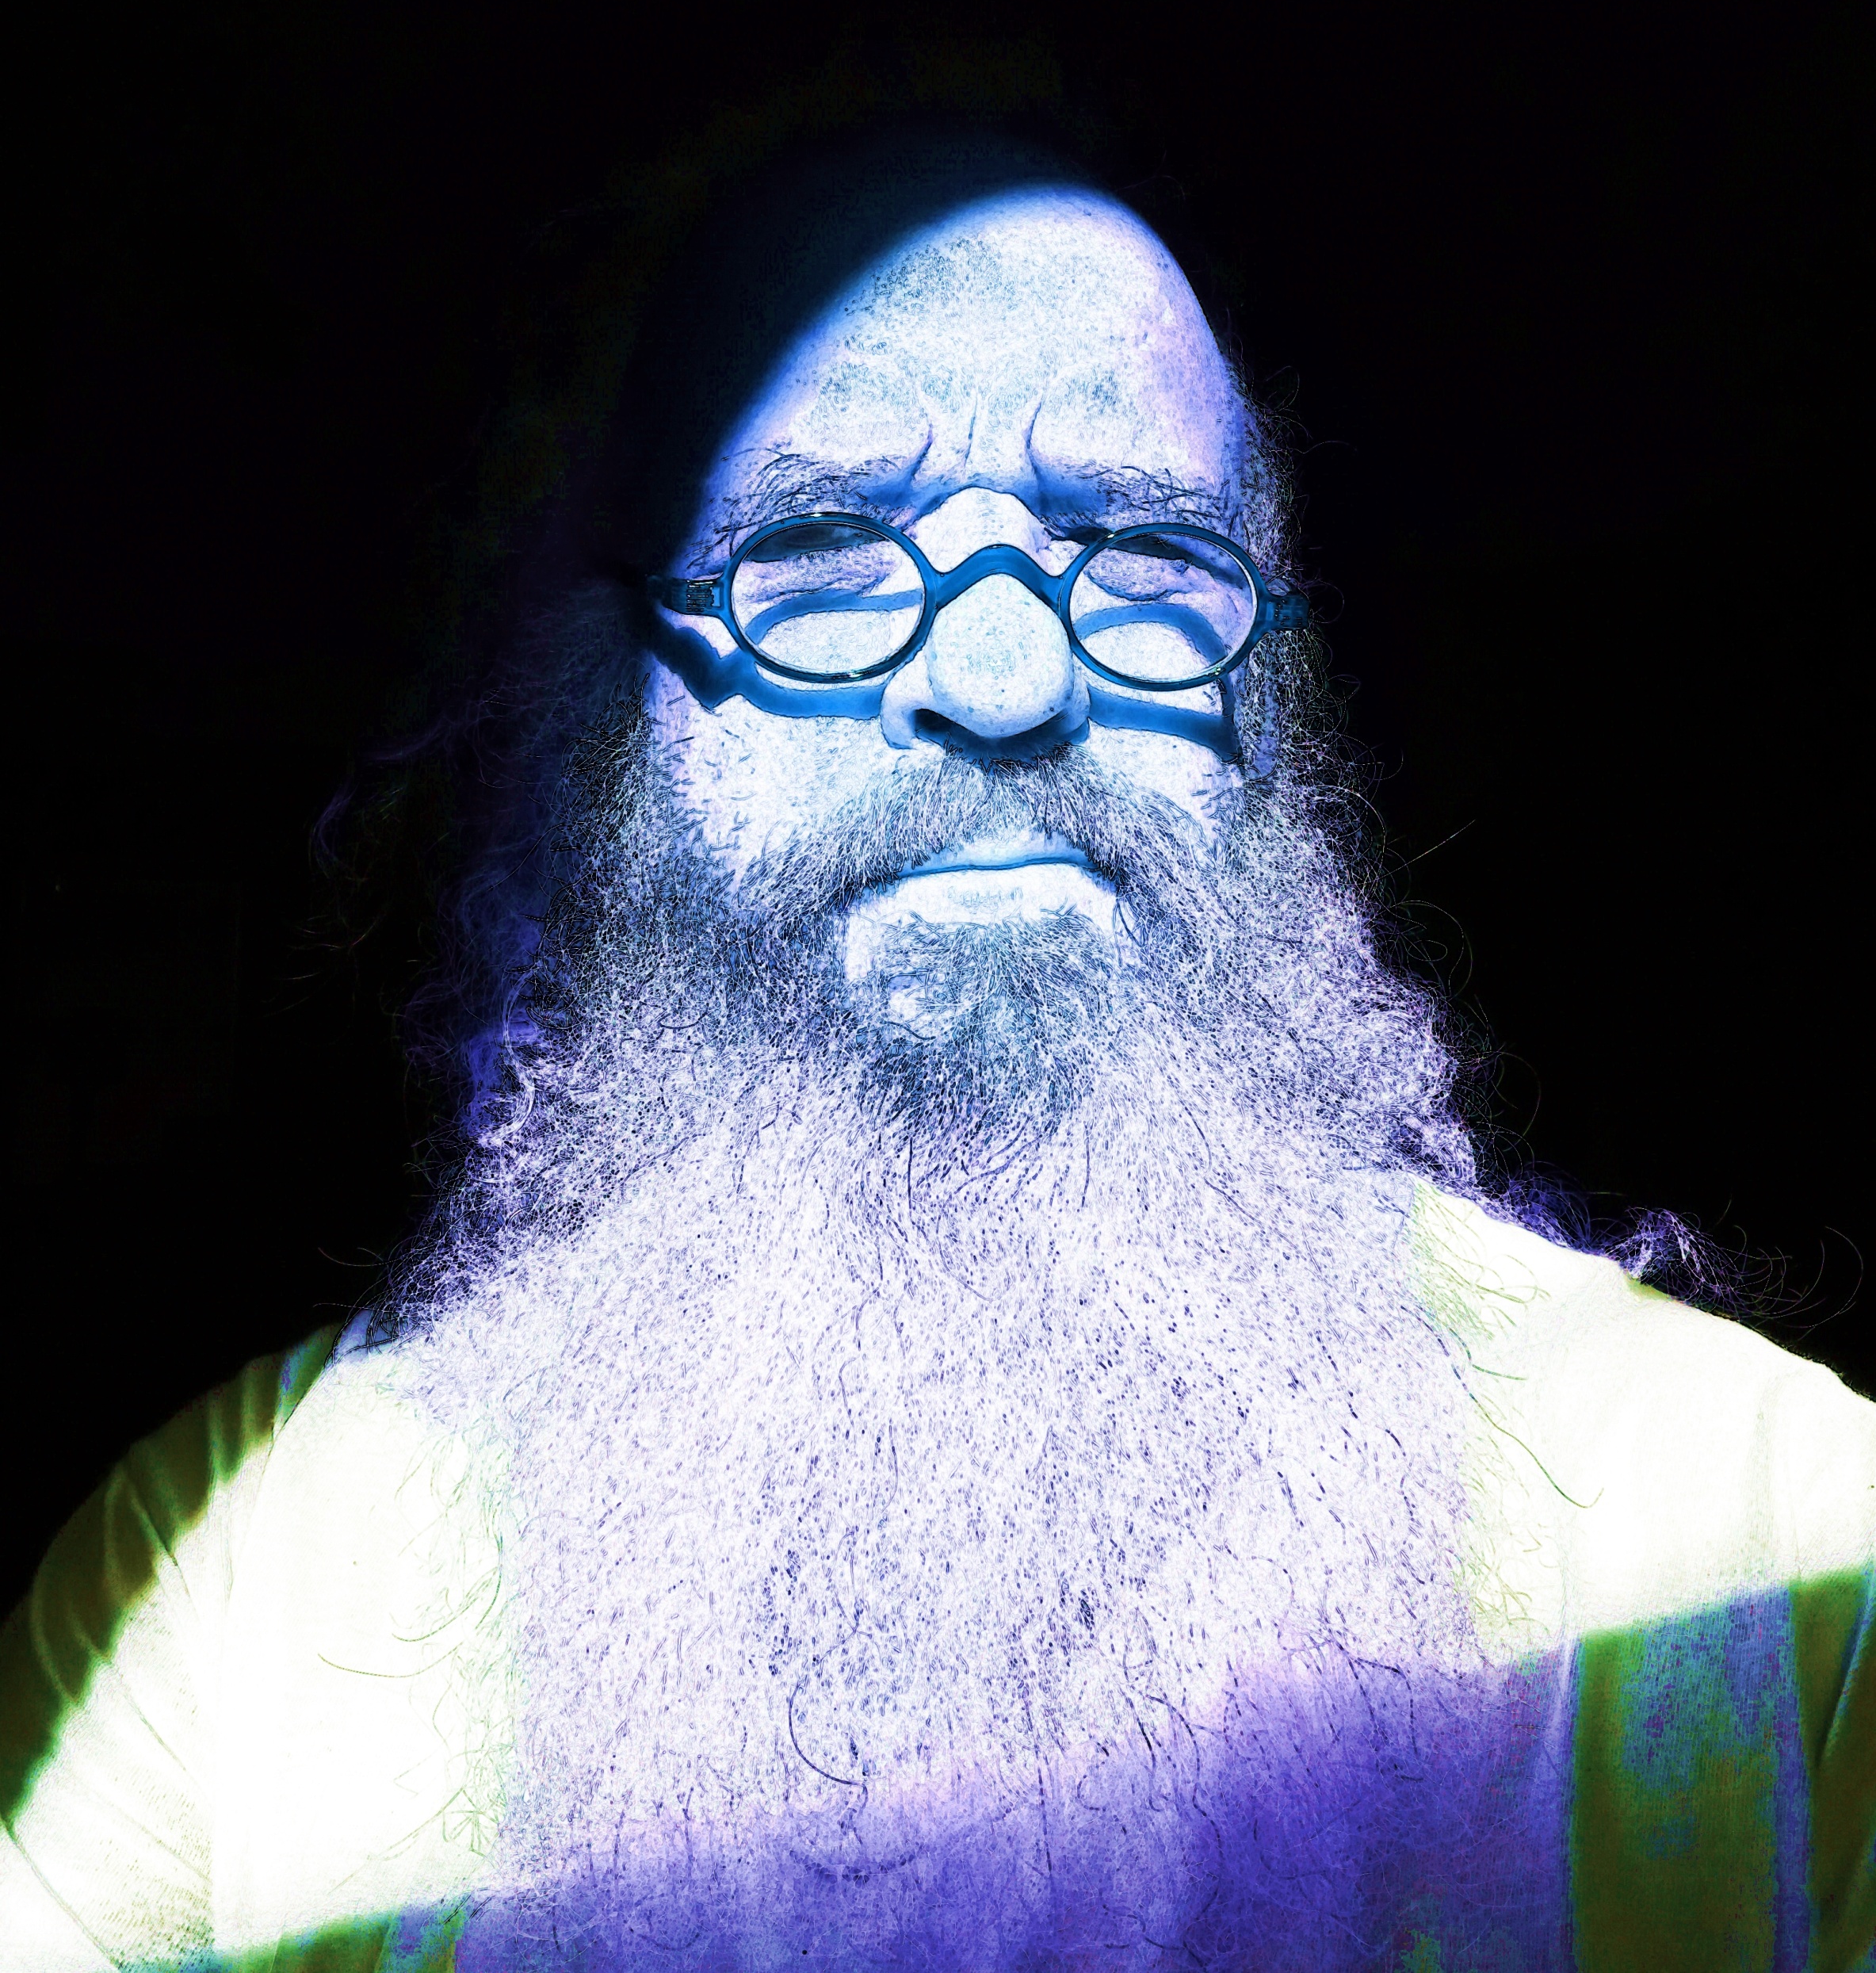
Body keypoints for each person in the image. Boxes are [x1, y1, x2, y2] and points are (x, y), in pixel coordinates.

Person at [4, 124, 1872, 1973]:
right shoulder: (227, 1600)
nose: (1002, 682)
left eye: (1137, 549)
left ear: (1271, 700)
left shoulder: (1779, 1542)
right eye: (816, 550)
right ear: (604, 722)